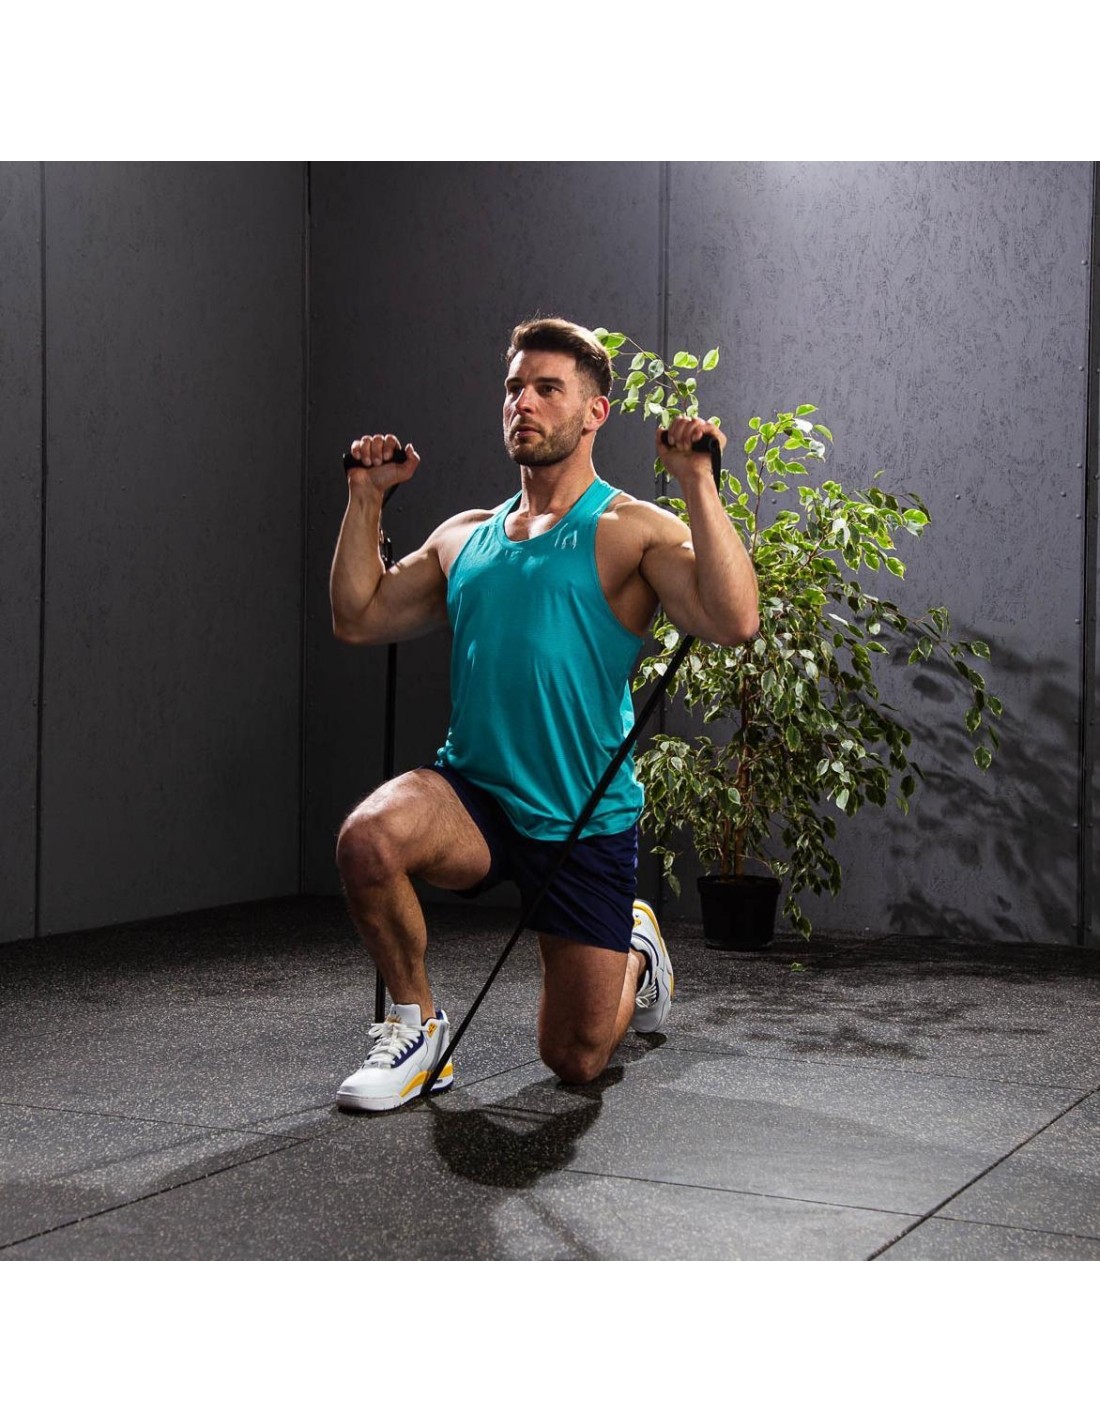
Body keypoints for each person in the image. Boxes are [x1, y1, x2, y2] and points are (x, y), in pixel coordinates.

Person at [329, 317, 759, 1111]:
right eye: (514, 388)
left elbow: (733, 621)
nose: (522, 403)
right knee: (368, 838)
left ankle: (635, 949)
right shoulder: (465, 537)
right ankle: (417, 1031)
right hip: (475, 795)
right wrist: (365, 498)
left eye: (547, 389)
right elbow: (359, 616)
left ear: (595, 412)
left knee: (573, 1059)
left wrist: (699, 483)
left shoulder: (631, 530)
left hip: (581, 819)